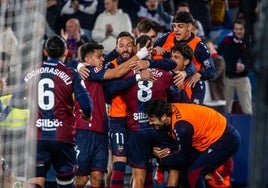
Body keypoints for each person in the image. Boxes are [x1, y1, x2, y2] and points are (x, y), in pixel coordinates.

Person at [73, 40, 154, 188]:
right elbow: (118, 71)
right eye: (99, 56)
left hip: (101, 130)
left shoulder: (94, 69)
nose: (103, 59)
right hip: (84, 130)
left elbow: (111, 58)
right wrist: (141, 54)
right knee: (81, 179)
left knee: (97, 177)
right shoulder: (90, 70)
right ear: (88, 60)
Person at [18, 35, 93, 188]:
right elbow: (86, 104)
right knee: (65, 182)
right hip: (63, 136)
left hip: (37, 136)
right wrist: (87, 114)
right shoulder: (71, 73)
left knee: (36, 181)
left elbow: (16, 101)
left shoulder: (31, 71)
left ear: (45, 52)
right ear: (65, 52)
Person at [146, 99, 241, 188]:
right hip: (211, 136)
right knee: (184, 175)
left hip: (225, 139)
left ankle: (209, 169)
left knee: (194, 174)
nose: (150, 123)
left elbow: (182, 160)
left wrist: (162, 160)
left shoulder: (181, 127)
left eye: (152, 119)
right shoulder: (168, 109)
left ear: (163, 117)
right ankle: (210, 170)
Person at [153, 11, 215, 96]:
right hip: (163, 85)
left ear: (189, 27)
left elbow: (211, 71)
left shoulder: (199, 46)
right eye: (174, 26)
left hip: (187, 90)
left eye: (180, 26)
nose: (176, 30)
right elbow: (149, 50)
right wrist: (154, 49)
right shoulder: (167, 36)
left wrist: (200, 74)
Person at [217, 18, 253, 114]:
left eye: (240, 29)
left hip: (243, 79)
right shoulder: (227, 40)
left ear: (245, 29)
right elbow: (217, 54)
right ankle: (225, 128)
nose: (238, 31)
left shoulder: (250, 42)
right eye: (236, 29)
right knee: (225, 109)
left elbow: (254, 61)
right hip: (227, 79)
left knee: (247, 109)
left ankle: (248, 128)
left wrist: (245, 67)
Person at [203, 39, 226, 114]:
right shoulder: (200, 62)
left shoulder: (219, 60)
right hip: (204, 101)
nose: (207, 51)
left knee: (219, 125)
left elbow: (213, 76)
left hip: (217, 101)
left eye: (209, 48)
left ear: (213, 48)